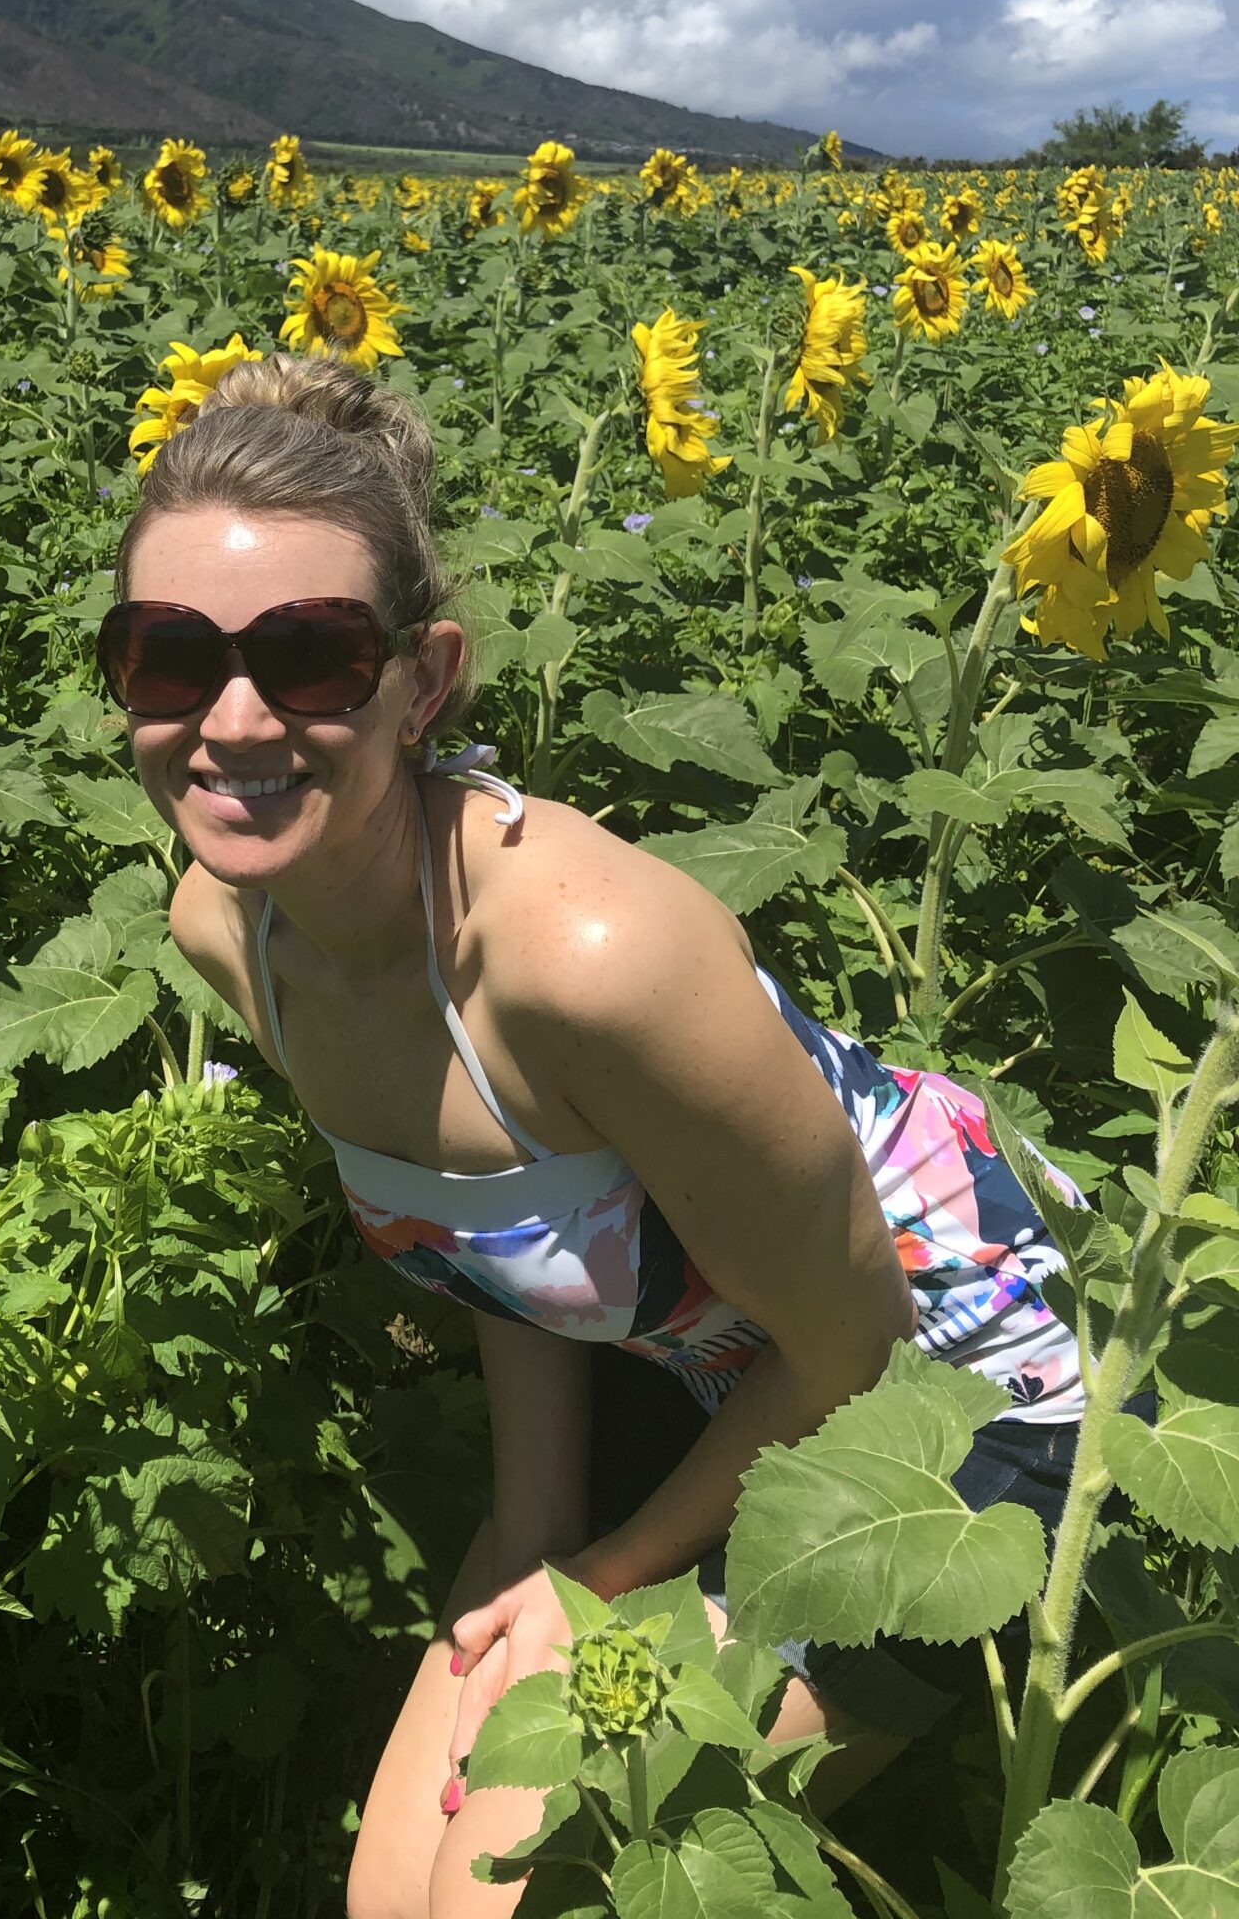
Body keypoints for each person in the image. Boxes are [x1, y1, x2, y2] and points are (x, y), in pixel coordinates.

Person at [96, 352, 1088, 1919]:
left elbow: (857, 1339)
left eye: (312, 657)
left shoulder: (585, 956)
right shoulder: (231, 935)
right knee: (392, 1900)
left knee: (505, 1901)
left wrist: (597, 1580)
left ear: (424, 680)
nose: (232, 720)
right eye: (167, 657)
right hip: (704, 1373)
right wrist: (533, 1534)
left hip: (949, 1386)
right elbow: (496, 1234)